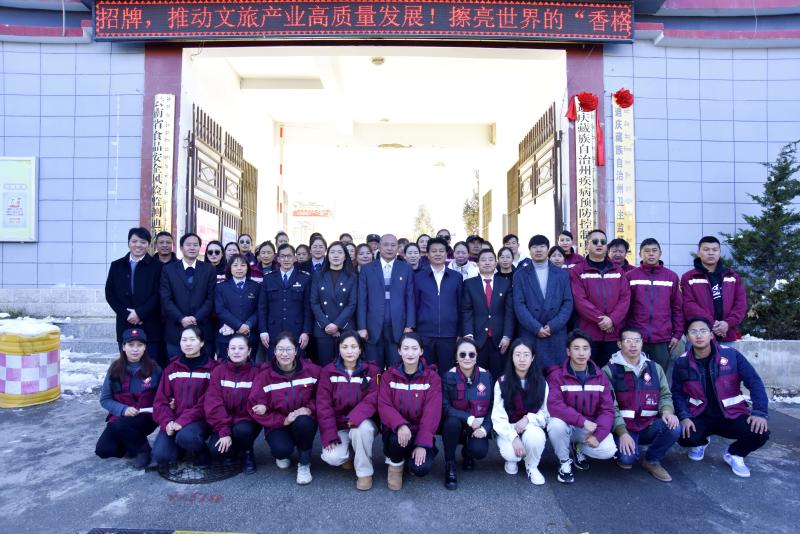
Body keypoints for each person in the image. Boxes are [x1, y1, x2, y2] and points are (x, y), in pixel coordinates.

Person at [672, 318, 770, 478]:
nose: (699, 335)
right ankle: (701, 442)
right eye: (693, 332)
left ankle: (735, 454)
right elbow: (677, 393)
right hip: (700, 415)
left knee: (760, 432)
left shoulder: (731, 355)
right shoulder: (682, 362)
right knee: (682, 434)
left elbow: (754, 382)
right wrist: (684, 417)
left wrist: (759, 412)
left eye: (703, 331)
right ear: (687, 337)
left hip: (732, 414)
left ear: (711, 334)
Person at [602, 327, 680, 482]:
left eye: (637, 341)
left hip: (648, 425)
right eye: (628, 341)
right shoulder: (609, 370)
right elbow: (609, 406)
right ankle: (626, 447)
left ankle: (652, 460)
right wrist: (622, 432)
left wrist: (667, 411)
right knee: (626, 460)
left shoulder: (655, 368)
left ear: (642, 343)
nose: (633, 345)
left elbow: (665, 395)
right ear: (619, 344)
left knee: (674, 427)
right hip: (623, 427)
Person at [249, 333, 321, 485]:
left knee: (304, 422)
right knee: (281, 450)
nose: (285, 354)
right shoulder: (264, 376)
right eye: (280, 349)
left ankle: (304, 463)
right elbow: (254, 406)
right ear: (274, 351)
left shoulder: (313, 371)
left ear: (296, 351)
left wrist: (309, 409)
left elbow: (322, 397)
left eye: (289, 349)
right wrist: (283, 420)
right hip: (278, 423)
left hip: (303, 420)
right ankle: (283, 453)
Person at [546, 331, 617, 484]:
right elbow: (554, 405)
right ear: (568, 351)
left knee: (608, 450)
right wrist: (582, 421)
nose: (581, 353)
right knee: (555, 425)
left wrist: (598, 435)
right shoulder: (557, 375)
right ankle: (564, 462)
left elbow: (607, 410)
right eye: (576, 348)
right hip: (568, 426)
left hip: (589, 428)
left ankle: (578, 446)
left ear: (590, 351)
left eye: (585, 348)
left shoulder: (600, 376)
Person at [316, 332, 380, 490]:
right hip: (339, 425)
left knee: (361, 430)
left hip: (363, 422)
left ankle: (364, 472)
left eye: (353, 347)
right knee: (332, 457)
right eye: (344, 347)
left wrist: (356, 417)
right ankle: (352, 454)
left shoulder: (372, 370)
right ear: (339, 349)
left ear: (360, 349)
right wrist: (329, 434)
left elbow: (374, 398)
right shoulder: (328, 371)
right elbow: (323, 405)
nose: (349, 351)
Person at [378, 333, 442, 490]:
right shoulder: (389, 376)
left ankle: (411, 457)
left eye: (414, 348)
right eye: (406, 348)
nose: (410, 353)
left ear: (421, 351)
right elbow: (384, 405)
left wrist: (422, 443)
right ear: (399, 351)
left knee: (420, 469)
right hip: (397, 433)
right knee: (396, 441)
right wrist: (400, 424)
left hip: (420, 431)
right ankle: (396, 464)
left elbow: (432, 413)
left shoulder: (432, 378)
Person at [95, 328, 162, 469]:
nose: (135, 349)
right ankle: (132, 445)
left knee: (121, 426)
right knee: (104, 450)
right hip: (121, 416)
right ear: (123, 347)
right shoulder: (114, 369)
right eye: (131, 345)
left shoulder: (154, 369)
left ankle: (143, 451)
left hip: (146, 417)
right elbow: (105, 399)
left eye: (139, 345)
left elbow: (163, 395)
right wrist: (123, 409)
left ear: (145, 347)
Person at [152, 326, 217, 468]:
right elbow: (160, 401)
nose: (188, 344)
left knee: (187, 437)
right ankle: (181, 446)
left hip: (201, 420)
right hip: (175, 419)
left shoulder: (212, 369)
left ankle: (202, 453)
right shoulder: (172, 369)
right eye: (184, 340)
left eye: (192, 340)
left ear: (201, 342)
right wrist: (167, 421)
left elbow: (206, 403)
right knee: (161, 456)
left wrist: (182, 421)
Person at [569, 229, 630, 368]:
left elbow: (625, 298)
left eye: (603, 242)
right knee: (588, 371)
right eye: (595, 241)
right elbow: (580, 300)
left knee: (612, 373)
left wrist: (612, 320)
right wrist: (602, 320)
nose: (599, 244)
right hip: (588, 333)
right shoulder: (578, 271)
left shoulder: (617, 271)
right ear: (587, 245)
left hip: (613, 333)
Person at [491, 338, 549, 485]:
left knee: (536, 436)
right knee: (512, 454)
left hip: (531, 426)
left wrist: (528, 419)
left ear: (533, 357)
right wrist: (514, 438)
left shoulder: (542, 383)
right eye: (517, 354)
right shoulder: (502, 382)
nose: (522, 359)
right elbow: (497, 416)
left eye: (526, 354)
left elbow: (545, 413)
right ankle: (512, 460)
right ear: (511, 357)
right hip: (509, 427)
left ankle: (532, 466)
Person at [513, 235, 574, 374]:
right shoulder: (520, 275)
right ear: (529, 251)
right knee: (531, 375)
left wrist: (553, 326)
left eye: (542, 246)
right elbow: (519, 305)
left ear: (548, 249)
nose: (538, 250)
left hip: (556, 333)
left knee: (557, 376)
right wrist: (536, 327)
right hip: (530, 332)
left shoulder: (561, 274)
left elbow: (567, 303)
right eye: (534, 247)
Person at [105, 227, 165, 367]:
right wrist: (127, 314)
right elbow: (110, 293)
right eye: (134, 241)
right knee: (126, 367)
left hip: (150, 324)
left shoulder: (158, 267)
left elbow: (159, 294)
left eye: (143, 242)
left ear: (148, 244)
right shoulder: (116, 265)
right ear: (128, 243)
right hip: (125, 323)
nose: (138, 245)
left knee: (151, 366)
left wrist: (139, 313)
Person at [203, 334, 261, 474]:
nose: (236, 351)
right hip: (224, 421)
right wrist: (224, 430)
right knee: (216, 450)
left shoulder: (257, 373)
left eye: (241, 348)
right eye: (233, 348)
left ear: (249, 351)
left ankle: (248, 453)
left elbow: (256, 402)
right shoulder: (218, 371)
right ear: (227, 351)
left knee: (242, 431)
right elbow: (214, 403)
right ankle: (233, 451)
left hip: (246, 422)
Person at [357, 234, 416, 369]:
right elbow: (362, 300)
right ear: (379, 247)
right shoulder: (367, 269)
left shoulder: (406, 269)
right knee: (374, 369)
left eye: (393, 245)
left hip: (398, 327)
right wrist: (362, 327)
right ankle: (377, 384)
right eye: (386, 245)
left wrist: (410, 325)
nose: (389, 248)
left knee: (395, 368)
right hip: (372, 328)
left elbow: (410, 298)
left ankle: (392, 384)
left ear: (398, 248)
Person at [441, 338, 493, 490]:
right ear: (456, 357)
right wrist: (468, 418)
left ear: (477, 356)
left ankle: (468, 453)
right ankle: (450, 464)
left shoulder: (486, 376)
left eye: (471, 354)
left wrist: (485, 428)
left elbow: (493, 407)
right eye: (462, 354)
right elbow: (444, 406)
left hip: (478, 427)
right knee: (450, 423)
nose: (467, 358)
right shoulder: (448, 376)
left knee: (479, 451)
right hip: (456, 425)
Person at [626, 238, 684, 372]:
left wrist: (677, 334)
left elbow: (677, 307)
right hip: (636, 337)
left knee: (659, 375)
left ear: (660, 253)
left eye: (654, 250)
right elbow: (625, 307)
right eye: (646, 251)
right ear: (640, 254)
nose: (651, 254)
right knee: (634, 374)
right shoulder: (630, 276)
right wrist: (625, 333)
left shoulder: (671, 277)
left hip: (662, 337)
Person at [680, 236, 748, 343]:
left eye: (715, 250)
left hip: (727, 334)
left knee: (726, 355)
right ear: (698, 253)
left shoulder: (732, 277)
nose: (711, 253)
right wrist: (712, 324)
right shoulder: (689, 278)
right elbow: (689, 305)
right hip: (699, 336)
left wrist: (727, 323)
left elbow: (740, 304)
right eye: (706, 249)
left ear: (719, 253)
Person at [160, 233, 216, 359]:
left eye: (195, 245)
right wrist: (181, 318)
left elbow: (211, 299)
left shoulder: (209, 269)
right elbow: (166, 299)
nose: (192, 247)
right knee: (176, 368)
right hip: (176, 330)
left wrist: (196, 318)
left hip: (202, 329)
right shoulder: (168, 270)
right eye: (188, 245)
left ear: (200, 248)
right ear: (181, 248)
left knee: (205, 368)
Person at [462, 249, 514, 379]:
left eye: (490, 259)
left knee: (499, 377)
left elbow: (509, 312)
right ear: (477, 264)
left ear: (496, 262)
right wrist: (469, 336)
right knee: (478, 377)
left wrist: (507, 336)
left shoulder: (505, 283)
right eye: (483, 260)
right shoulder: (469, 284)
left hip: (500, 340)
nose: (487, 263)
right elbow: (467, 311)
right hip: (477, 340)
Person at [414, 237, 463, 376]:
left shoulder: (456, 277)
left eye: (441, 251)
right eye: (434, 251)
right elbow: (415, 304)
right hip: (425, 334)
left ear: (447, 254)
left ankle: (446, 392)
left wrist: (460, 332)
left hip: (449, 334)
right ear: (428, 254)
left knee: (447, 373)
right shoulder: (418, 277)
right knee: (425, 373)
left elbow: (461, 306)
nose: (438, 254)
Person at [257, 244, 312, 360]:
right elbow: (262, 307)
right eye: (282, 256)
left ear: (295, 258)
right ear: (277, 259)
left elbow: (308, 308)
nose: (286, 259)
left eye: (289, 256)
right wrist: (263, 331)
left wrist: (306, 332)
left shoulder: (304, 278)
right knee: (273, 363)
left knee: (297, 363)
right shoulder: (268, 278)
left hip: (297, 331)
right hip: (273, 331)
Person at [310, 242, 358, 365]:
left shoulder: (352, 277)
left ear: (345, 256)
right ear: (328, 255)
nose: (336, 255)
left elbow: (352, 303)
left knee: (345, 367)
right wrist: (327, 324)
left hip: (345, 328)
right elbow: (314, 302)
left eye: (340, 252)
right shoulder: (318, 275)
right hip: (323, 329)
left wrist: (337, 325)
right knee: (325, 366)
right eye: (332, 252)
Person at [214, 254, 260, 358]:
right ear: (230, 268)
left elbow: (259, 310)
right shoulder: (221, 287)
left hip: (249, 335)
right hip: (227, 335)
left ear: (247, 268)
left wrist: (248, 325)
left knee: (249, 366)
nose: (239, 268)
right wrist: (238, 325)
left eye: (243, 265)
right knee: (224, 365)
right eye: (235, 265)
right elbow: (220, 310)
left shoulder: (256, 287)